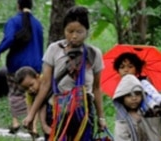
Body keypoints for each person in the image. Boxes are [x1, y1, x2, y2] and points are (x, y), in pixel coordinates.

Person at [22, 6, 106, 140]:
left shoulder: (93, 54)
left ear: (87, 31)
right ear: (64, 30)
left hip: (83, 114)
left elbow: (96, 88)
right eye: (70, 31)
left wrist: (101, 117)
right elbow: (45, 85)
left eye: (79, 31)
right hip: (56, 112)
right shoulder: (54, 50)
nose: (74, 35)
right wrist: (31, 115)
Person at [0, 0, 43, 134]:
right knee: (35, 97)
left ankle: (16, 122)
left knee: (15, 93)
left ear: (18, 6)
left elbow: (9, 38)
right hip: (35, 66)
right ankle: (33, 126)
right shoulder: (38, 24)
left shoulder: (14, 21)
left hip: (17, 64)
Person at [113, 52, 161, 138]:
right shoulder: (120, 91)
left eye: (130, 67)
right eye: (122, 67)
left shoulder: (144, 85)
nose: (126, 70)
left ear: (137, 69)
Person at [113, 74, 161, 141]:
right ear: (122, 98)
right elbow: (121, 138)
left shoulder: (146, 113)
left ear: (143, 95)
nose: (134, 98)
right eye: (129, 95)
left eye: (137, 94)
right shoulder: (122, 120)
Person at [15, 66, 51, 137]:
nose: (30, 89)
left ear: (37, 77)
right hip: (45, 107)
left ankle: (44, 126)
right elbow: (30, 111)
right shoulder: (29, 94)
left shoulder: (44, 78)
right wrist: (31, 125)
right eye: (26, 88)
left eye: (31, 85)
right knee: (41, 105)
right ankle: (44, 126)